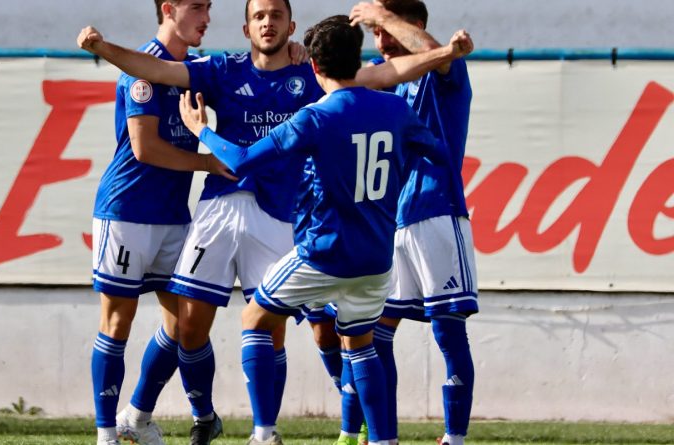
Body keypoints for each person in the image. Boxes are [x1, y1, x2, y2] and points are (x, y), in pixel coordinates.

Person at [178, 14, 447, 445]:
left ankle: (264, 433)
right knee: (360, 345)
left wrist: (201, 131)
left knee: (255, 318)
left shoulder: (314, 118)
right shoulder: (396, 109)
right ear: (358, 59)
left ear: (316, 69)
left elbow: (243, 161)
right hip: (376, 259)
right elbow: (436, 152)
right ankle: (383, 440)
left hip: (325, 253)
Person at [78, 1, 323, 443]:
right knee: (159, 323)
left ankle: (251, 428)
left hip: (215, 214)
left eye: (276, 15)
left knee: (249, 324)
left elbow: (356, 83)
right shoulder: (192, 70)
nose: (206, 16)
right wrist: (101, 47)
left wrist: (307, 52)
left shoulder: (299, 72)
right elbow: (147, 128)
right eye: (197, 7)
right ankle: (115, 430)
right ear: (246, 27)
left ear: (291, 25)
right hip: (148, 210)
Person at [86, 1, 235, 445]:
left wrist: (298, 53)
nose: (206, 16)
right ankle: (105, 434)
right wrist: (207, 162)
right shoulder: (144, 67)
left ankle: (138, 414)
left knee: (184, 323)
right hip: (127, 211)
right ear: (168, 9)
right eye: (196, 7)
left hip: (174, 216)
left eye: (209, 7)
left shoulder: (196, 71)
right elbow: (144, 149)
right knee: (117, 323)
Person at [348, 2, 478, 445]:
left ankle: (453, 438)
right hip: (393, 221)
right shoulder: (385, 82)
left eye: (388, 32)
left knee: (447, 327)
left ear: (414, 27)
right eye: (376, 35)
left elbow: (435, 51)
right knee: (376, 331)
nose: (381, 43)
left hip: (438, 212)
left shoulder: (445, 70)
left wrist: (382, 15)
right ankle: (384, 437)